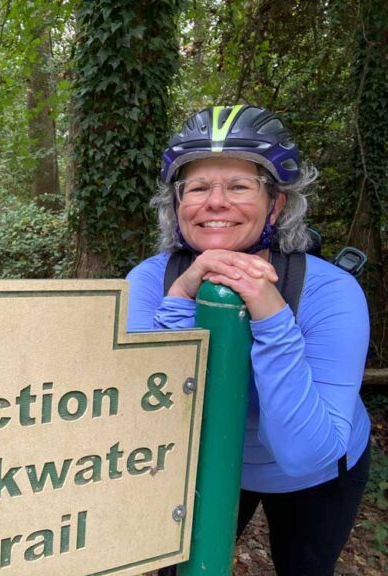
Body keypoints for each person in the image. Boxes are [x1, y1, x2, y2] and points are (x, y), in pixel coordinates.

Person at [126, 105, 371, 576]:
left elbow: (303, 455)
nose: (215, 202)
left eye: (239, 186)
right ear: (177, 205)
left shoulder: (330, 292)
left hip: (315, 476)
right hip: (204, 467)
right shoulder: (150, 281)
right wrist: (179, 298)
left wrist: (273, 316)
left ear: (277, 204)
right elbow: (146, 423)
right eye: (197, 187)